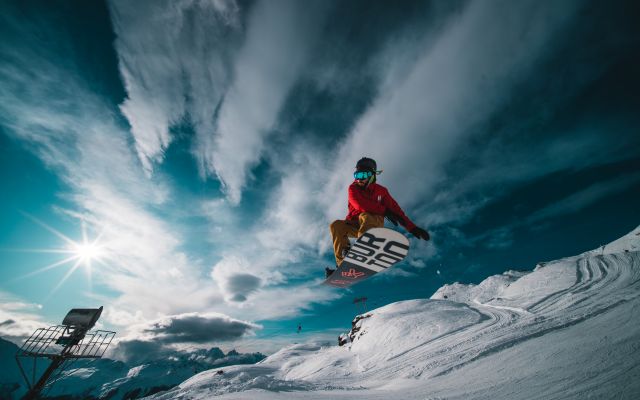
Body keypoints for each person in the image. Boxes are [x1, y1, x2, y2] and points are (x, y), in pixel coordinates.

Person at [326, 157, 430, 277]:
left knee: (367, 215)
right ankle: (343, 265)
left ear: (372, 175)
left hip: (372, 224)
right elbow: (359, 204)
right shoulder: (353, 188)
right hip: (356, 225)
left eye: (364, 174)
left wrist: (412, 228)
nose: (360, 178)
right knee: (336, 225)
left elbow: (397, 212)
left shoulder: (382, 191)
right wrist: (385, 211)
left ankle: (365, 246)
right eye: (357, 175)